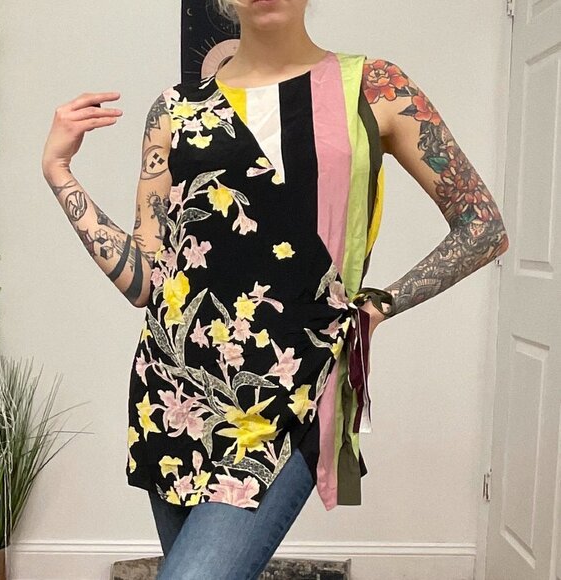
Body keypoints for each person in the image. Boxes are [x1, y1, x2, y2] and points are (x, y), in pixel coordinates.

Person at [41, 0, 510, 578]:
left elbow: (483, 226)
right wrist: (59, 172)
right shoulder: (175, 110)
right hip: (173, 393)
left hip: (292, 390)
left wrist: (378, 306)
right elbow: (145, 281)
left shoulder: (375, 88)